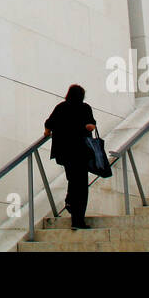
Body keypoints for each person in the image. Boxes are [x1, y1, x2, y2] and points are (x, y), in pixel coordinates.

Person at [44, 84, 98, 230]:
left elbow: (48, 124)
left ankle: (70, 202)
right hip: (80, 152)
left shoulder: (61, 107)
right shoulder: (84, 108)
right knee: (80, 185)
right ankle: (77, 219)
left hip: (64, 152)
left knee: (73, 179)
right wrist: (87, 127)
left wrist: (47, 132)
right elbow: (91, 125)